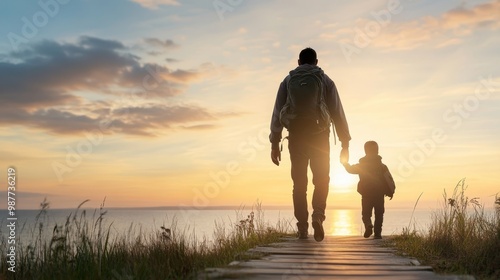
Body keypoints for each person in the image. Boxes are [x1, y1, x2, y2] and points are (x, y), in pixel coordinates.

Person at [269, 47, 351, 242]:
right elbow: (338, 111)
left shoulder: (288, 81)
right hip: (319, 138)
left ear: (298, 62)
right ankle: (318, 215)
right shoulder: (324, 80)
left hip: (296, 138)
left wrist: (274, 142)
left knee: (299, 184)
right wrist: (345, 142)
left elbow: (277, 112)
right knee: (321, 180)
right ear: (316, 61)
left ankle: (302, 228)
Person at [342, 141, 395, 239]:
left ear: (365, 151)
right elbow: (389, 179)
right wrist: (391, 192)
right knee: (379, 213)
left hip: (366, 194)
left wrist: (345, 163)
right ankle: (378, 233)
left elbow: (350, 170)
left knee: (366, 213)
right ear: (377, 150)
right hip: (379, 194)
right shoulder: (382, 166)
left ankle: (368, 225)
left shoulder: (362, 165)